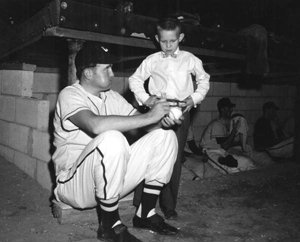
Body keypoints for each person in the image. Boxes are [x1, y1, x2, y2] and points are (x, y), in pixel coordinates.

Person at [52, 43, 181, 242]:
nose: (112, 73)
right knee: (112, 137)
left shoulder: (111, 96)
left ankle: (145, 214)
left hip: (108, 183)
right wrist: (149, 117)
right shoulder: (70, 94)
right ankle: (109, 225)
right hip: (73, 184)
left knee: (166, 136)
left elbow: (139, 125)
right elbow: (94, 125)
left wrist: (162, 120)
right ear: (87, 73)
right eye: (106, 68)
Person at [129, 17, 210, 220]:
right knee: (150, 153)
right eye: (163, 41)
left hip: (181, 110)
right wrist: (147, 100)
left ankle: (168, 205)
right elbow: (134, 80)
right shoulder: (152, 60)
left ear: (180, 37)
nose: (167, 45)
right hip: (158, 109)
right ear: (157, 39)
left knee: (173, 158)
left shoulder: (190, 58)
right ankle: (141, 202)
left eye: (172, 41)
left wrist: (194, 98)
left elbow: (204, 80)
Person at [200, 98, 256, 174]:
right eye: (229, 107)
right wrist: (235, 129)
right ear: (222, 109)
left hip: (222, 151)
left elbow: (226, 145)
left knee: (248, 163)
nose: (231, 109)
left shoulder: (225, 123)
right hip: (210, 152)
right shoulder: (217, 124)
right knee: (232, 169)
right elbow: (225, 146)